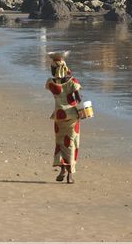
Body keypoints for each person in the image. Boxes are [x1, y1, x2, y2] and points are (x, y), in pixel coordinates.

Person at [45, 51, 81, 184]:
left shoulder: (50, 82)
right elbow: (78, 99)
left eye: (52, 68)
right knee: (71, 144)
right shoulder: (72, 82)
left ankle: (62, 170)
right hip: (72, 117)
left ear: (56, 69)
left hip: (58, 117)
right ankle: (70, 174)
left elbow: (55, 88)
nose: (51, 70)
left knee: (60, 143)